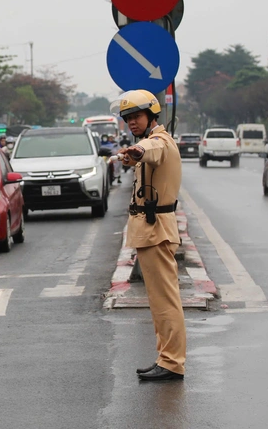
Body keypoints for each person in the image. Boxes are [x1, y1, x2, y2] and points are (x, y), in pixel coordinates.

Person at [112, 90, 185, 382]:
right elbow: (142, 155)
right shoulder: (149, 140)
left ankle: (172, 362)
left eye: (137, 116)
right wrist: (131, 156)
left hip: (157, 230)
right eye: (128, 118)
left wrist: (138, 151)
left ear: (152, 115)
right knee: (158, 300)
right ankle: (166, 357)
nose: (132, 122)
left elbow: (151, 150)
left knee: (165, 300)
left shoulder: (159, 141)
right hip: (150, 229)